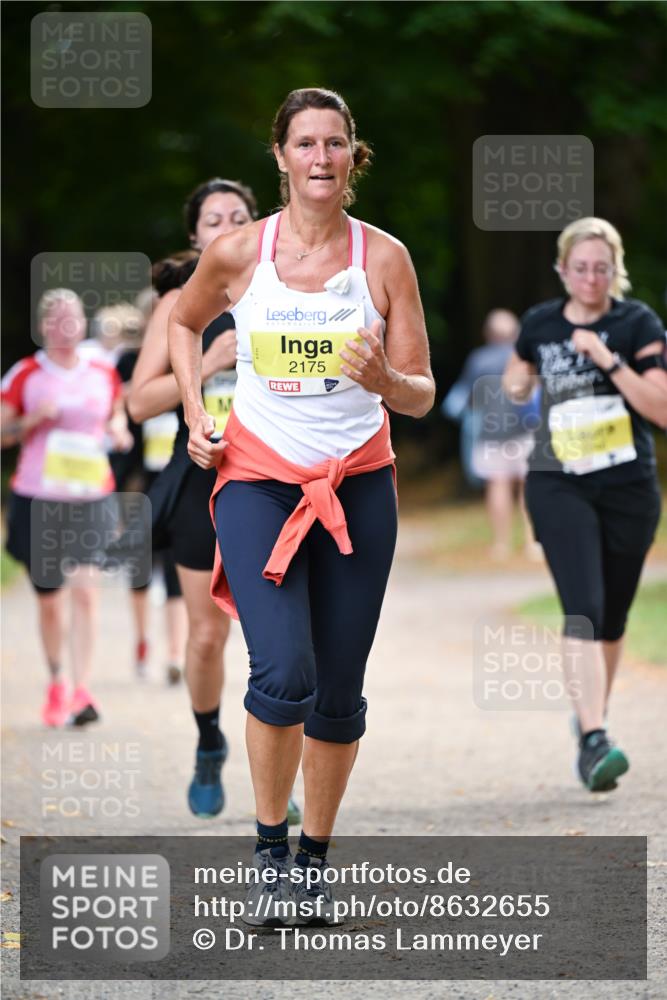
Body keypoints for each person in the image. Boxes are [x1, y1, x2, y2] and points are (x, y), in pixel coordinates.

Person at [168, 88, 435, 924]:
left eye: (335, 142)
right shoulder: (238, 253)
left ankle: (313, 863)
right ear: (280, 156)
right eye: (305, 143)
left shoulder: (383, 258)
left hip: (357, 486)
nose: (321, 157)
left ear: (354, 155)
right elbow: (182, 324)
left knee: (338, 692)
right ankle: (268, 856)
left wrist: (384, 380)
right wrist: (195, 411)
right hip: (257, 481)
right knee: (283, 671)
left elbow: (421, 392)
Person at [128, 179, 277, 819]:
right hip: (200, 479)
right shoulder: (177, 304)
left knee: (278, 638)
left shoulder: (282, 287)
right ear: (195, 235)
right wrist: (211, 360)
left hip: (274, 475)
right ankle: (210, 741)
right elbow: (138, 402)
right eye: (213, 219)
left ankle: (278, 779)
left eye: (238, 216)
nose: (226, 227)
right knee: (209, 634)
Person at [503, 217, 667, 793]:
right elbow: (515, 380)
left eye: (601, 268)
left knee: (613, 617)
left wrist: (607, 359)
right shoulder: (541, 323)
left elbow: (660, 408)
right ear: (562, 269)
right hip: (560, 482)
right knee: (584, 607)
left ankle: (592, 716)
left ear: (614, 270)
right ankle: (595, 739)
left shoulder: (636, 322)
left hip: (627, 486)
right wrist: (517, 383)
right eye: (580, 268)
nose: (591, 278)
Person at [1, 288, 132, 726]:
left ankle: (81, 691)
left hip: (92, 497)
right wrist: (33, 419)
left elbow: (116, 413)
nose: (66, 326)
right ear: (43, 327)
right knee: (51, 602)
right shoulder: (26, 374)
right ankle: (57, 681)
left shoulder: (102, 372)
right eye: (56, 319)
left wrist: (119, 431)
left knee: (87, 594)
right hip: (39, 499)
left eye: (72, 317)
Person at [104, 301, 187, 684]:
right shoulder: (128, 362)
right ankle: (141, 642)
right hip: (140, 480)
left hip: (178, 477)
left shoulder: (190, 354)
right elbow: (114, 403)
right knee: (139, 566)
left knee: (175, 564)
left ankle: (175, 654)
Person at [443, 309, 540, 559]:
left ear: (488, 334)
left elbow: (465, 399)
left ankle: (501, 545)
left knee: (498, 483)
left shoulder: (478, 360)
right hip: (526, 430)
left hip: (490, 433)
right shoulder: (526, 356)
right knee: (529, 484)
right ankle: (532, 543)